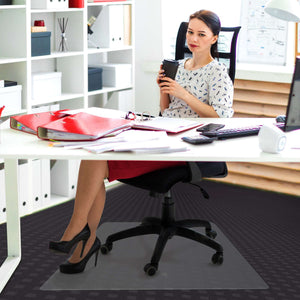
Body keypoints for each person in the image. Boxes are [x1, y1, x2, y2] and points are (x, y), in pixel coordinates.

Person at [49, 9, 234, 274]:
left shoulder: (217, 73)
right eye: (190, 32)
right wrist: (164, 91)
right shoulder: (180, 66)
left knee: (99, 162)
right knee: (95, 153)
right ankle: (82, 238)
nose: (193, 38)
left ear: (214, 38)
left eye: (201, 34)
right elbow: (166, 111)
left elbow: (223, 118)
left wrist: (184, 94)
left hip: (188, 145)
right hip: (163, 133)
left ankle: (79, 238)